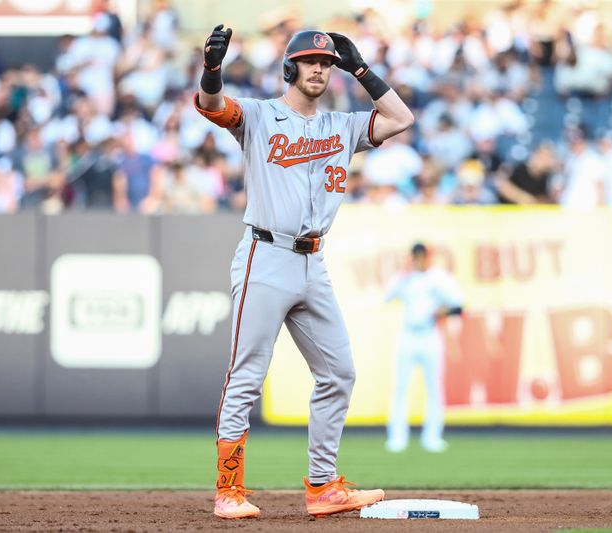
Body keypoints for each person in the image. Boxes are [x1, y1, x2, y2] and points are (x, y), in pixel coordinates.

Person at [194, 26, 414, 519]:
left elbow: (401, 118)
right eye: (311, 61)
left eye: (327, 63)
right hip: (265, 255)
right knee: (246, 375)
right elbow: (211, 106)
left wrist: (361, 69)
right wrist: (211, 70)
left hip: (314, 262)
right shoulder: (259, 115)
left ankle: (322, 486)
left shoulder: (344, 125)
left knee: (339, 372)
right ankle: (228, 491)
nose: (319, 69)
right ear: (290, 67)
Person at [385, 243, 462, 453]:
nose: (420, 260)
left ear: (429, 257)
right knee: (400, 387)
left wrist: (442, 311)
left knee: (434, 387)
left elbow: (458, 305)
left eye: (423, 256)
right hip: (408, 335)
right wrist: (404, 273)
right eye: (416, 256)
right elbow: (388, 296)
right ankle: (397, 438)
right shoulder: (405, 278)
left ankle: (432, 438)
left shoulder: (439, 278)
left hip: (429, 334)